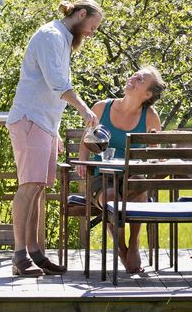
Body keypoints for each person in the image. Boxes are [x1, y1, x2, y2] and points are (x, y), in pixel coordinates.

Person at [6, 0, 103, 277]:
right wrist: (84, 110)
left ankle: (36, 253)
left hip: (44, 124)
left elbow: (48, 91)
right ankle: (19, 256)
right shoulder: (51, 36)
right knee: (29, 187)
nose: (91, 33)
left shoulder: (62, 38)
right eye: (92, 26)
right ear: (81, 14)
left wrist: (55, 130)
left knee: (38, 189)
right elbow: (57, 83)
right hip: (29, 120)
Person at [77, 65, 165, 275]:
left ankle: (133, 243)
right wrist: (82, 161)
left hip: (131, 176)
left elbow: (156, 156)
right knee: (110, 196)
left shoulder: (150, 116)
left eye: (141, 79)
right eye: (135, 74)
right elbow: (85, 141)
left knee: (139, 184)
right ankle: (121, 247)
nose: (134, 77)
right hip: (102, 177)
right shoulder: (101, 108)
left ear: (148, 94)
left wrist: (156, 153)